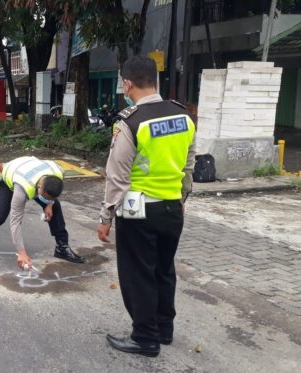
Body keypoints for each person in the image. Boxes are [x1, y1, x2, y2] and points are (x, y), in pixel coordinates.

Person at [97, 56, 196, 358]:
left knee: (138, 274)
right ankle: (164, 328)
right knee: (164, 270)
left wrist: (105, 217)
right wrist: (180, 201)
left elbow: (117, 175)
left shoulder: (130, 121)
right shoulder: (183, 116)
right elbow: (188, 166)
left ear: (127, 84)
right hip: (171, 210)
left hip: (138, 212)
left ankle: (145, 338)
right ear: (154, 79)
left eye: (122, 84)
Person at [0, 156, 86, 268]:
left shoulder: (58, 172)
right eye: (45, 197)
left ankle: (62, 247)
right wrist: (21, 252)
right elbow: (15, 221)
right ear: (38, 188)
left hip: (28, 168)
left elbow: (51, 195)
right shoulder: (22, 189)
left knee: (55, 207)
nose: (47, 199)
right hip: (8, 178)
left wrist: (50, 204)